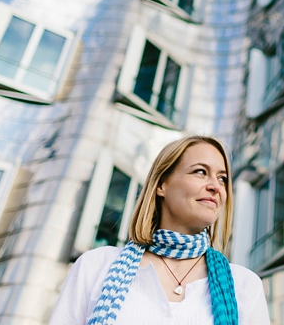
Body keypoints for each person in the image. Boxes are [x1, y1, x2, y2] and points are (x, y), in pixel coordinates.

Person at [50, 135, 270, 325]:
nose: (216, 186)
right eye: (200, 172)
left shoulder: (244, 286)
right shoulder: (96, 266)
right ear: (161, 185)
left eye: (222, 178)